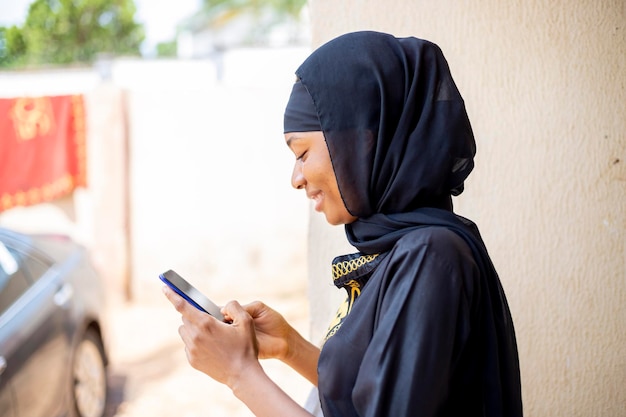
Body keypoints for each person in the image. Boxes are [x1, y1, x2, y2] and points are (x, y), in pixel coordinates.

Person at [162, 30, 523, 417]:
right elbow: (375, 394)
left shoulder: (429, 258)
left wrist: (239, 374)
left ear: (364, 142)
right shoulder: (408, 249)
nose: (296, 178)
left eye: (301, 153)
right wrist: (289, 347)